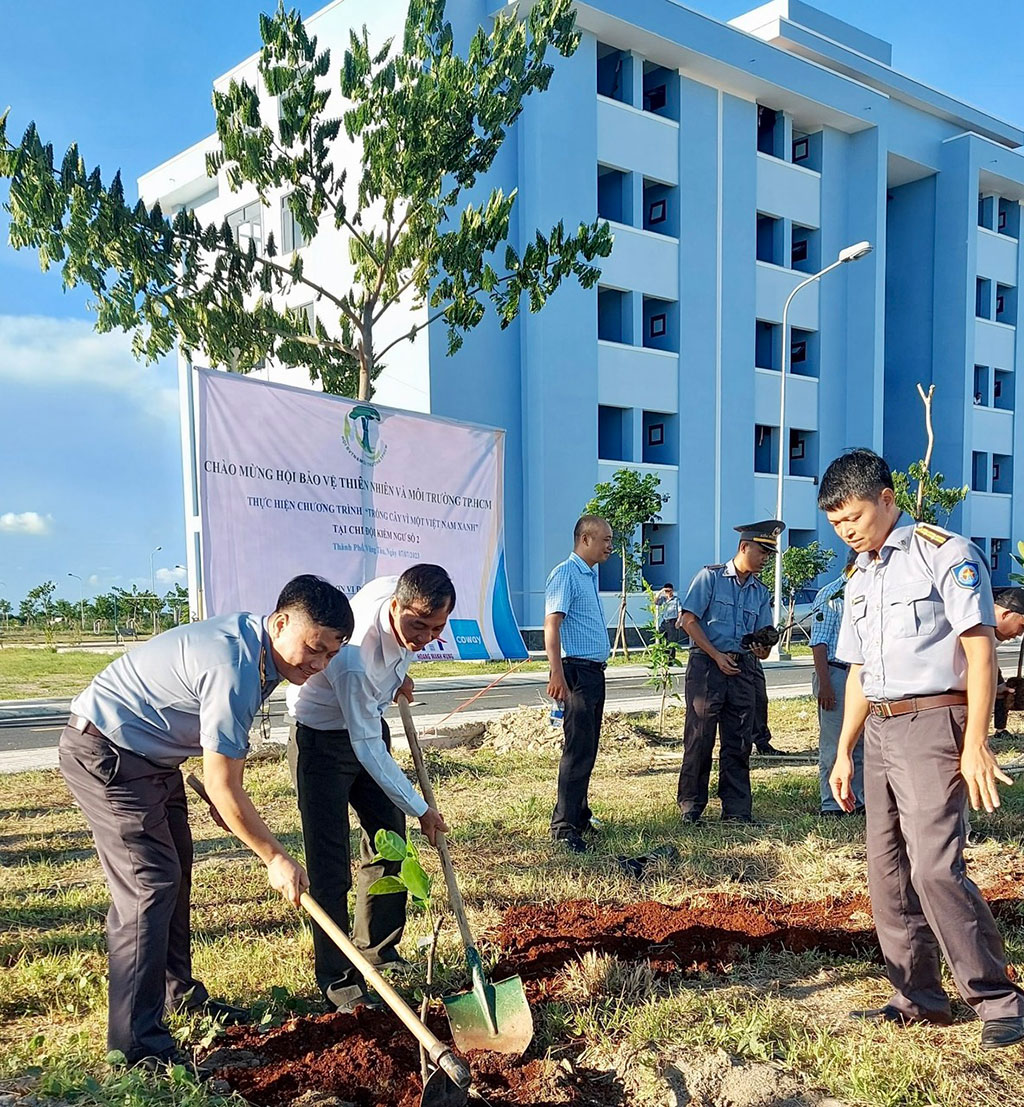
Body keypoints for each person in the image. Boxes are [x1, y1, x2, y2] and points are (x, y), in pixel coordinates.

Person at [58, 575, 353, 1069]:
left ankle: (177, 995)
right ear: (280, 623)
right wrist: (274, 856)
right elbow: (222, 784)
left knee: (176, 868)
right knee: (149, 883)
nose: (319, 664)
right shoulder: (235, 664)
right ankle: (136, 1047)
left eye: (330, 654)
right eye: (314, 648)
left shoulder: (262, 652)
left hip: (154, 758)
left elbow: (219, 766)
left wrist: (226, 796)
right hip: (108, 752)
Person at [822, 448, 1024, 1050]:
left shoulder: (945, 553)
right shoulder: (860, 576)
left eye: (853, 517)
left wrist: (976, 743)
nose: (847, 531)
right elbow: (859, 671)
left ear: (888, 499)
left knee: (936, 867)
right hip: (881, 732)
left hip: (936, 723)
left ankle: (997, 998)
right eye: (836, 524)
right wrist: (844, 751)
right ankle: (917, 995)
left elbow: (981, 650)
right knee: (886, 873)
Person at [287, 565, 451, 1012]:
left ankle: (378, 950)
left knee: (390, 844)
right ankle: (338, 979)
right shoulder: (355, 658)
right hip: (322, 742)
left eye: (438, 627)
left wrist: (397, 675)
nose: (426, 637)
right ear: (395, 608)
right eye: (418, 626)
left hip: (364, 726)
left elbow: (373, 726)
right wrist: (422, 808)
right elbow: (367, 748)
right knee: (330, 864)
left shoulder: (394, 596)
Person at [677, 520, 784, 824]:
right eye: (762, 551)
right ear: (743, 547)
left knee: (739, 740)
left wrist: (762, 649)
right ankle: (691, 806)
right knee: (700, 737)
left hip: (742, 668)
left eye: (769, 553)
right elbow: (688, 620)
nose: (765, 558)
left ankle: (737, 810)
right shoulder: (709, 578)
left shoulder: (760, 592)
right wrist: (716, 655)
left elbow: (761, 636)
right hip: (707, 666)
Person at [545, 515, 614, 853]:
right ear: (585, 538)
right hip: (576, 673)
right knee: (577, 750)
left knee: (588, 747)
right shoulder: (566, 574)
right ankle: (564, 826)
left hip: (593, 673)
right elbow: (552, 626)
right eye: (605, 539)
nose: (609, 546)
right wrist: (556, 673)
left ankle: (579, 814)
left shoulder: (588, 577)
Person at [809, 551, 865, 816]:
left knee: (863, 742)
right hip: (836, 672)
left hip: (864, 674)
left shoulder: (871, 591)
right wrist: (825, 685)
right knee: (834, 741)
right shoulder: (832, 595)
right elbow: (818, 643)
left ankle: (860, 800)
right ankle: (831, 803)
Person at [654, 583, 683, 662]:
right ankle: (664, 658)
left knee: (671, 641)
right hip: (665, 621)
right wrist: (661, 592)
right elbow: (655, 601)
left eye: (669, 591)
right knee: (662, 638)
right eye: (666, 591)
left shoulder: (676, 600)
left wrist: (679, 621)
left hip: (672, 621)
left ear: (672, 591)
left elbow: (680, 611)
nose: (667, 592)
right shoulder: (663, 599)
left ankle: (670, 660)